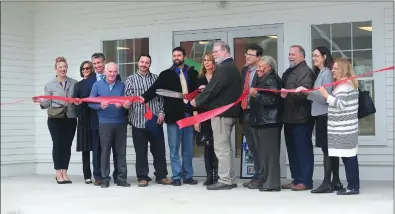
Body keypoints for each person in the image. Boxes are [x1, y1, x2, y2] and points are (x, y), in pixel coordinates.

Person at [141, 47, 199, 186]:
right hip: (174, 117)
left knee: (188, 149)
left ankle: (188, 176)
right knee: (174, 148)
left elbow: (199, 93)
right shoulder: (165, 74)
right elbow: (154, 90)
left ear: (184, 56)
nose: (176, 57)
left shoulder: (194, 73)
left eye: (179, 55)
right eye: (174, 55)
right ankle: (177, 176)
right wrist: (143, 98)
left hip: (189, 116)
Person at [191, 41, 243, 190]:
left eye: (216, 52)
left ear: (225, 51)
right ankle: (230, 178)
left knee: (221, 148)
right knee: (226, 147)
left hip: (221, 113)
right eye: (213, 52)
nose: (214, 55)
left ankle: (225, 180)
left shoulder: (223, 69)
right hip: (230, 112)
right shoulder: (232, 67)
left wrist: (195, 102)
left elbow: (212, 89)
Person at [296, 46, 343, 193]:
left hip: (325, 115)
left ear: (324, 56)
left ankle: (327, 182)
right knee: (329, 150)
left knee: (327, 150)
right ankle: (335, 181)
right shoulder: (320, 73)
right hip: (321, 115)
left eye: (316, 55)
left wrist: (306, 93)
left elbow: (325, 97)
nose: (314, 58)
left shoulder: (327, 73)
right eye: (313, 55)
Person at [124, 54, 172, 187]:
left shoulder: (156, 79)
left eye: (147, 62)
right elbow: (127, 98)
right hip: (138, 121)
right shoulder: (130, 80)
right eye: (142, 62)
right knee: (140, 151)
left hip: (155, 120)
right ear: (138, 63)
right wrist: (127, 104)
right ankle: (142, 177)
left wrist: (162, 112)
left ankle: (161, 176)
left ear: (150, 64)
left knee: (159, 150)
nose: (144, 65)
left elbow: (162, 99)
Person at [318, 58, 360, 195]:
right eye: (332, 68)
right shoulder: (348, 85)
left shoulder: (343, 87)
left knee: (348, 159)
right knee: (350, 157)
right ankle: (353, 185)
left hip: (343, 129)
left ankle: (352, 187)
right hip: (348, 128)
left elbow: (340, 105)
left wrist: (326, 95)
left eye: (336, 68)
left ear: (342, 70)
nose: (332, 70)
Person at [33, 57, 78, 184]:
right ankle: (58, 172)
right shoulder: (49, 85)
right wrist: (39, 101)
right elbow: (46, 103)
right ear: (56, 69)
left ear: (67, 68)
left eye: (65, 66)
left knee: (67, 145)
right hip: (55, 118)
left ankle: (65, 172)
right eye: (60, 67)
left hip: (70, 117)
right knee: (58, 144)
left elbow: (77, 99)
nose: (63, 69)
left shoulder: (74, 83)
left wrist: (76, 101)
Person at [88, 62, 131, 188]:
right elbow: (90, 102)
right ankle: (105, 179)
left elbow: (127, 102)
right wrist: (99, 106)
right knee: (105, 152)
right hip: (105, 123)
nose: (112, 74)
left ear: (117, 72)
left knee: (121, 152)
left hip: (120, 123)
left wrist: (125, 105)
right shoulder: (97, 85)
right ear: (105, 72)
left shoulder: (122, 85)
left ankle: (121, 178)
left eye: (115, 71)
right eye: (110, 71)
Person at [280, 45, 315, 191]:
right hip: (288, 117)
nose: (290, 56)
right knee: (292, 150)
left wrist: (288, 93)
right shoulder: (289, 72)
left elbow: (305, 92)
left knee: (303, 150)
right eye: (289, 54)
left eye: (293, 54)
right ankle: (296, 179)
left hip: (301, 117)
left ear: (302, 56)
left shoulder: (306, 71)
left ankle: (305, 181)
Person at [248, 56, 283, 191]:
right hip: (261, 121)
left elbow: (273, 100)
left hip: (269, 121)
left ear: (269, 67)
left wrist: (256, 95)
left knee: (270, 154)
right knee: (264, 153)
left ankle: (272, 183)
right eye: (257, 66)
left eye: (261, 66)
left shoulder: (272, 79)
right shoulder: (262, 79)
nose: (258, 69)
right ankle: (267, 181)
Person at [87, 53, 121, 185]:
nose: (96, 66)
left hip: (114, 119)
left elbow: (121, 96)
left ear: (104, 63)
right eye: (94, 64)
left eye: (99, 63)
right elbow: (89, 99)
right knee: (98, 150)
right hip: (97, 119)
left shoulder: (117, 79)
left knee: (115, 150)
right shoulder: (90, 81)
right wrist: (98, 106)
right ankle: (99, 176)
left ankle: (117, 176)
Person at [240, 44, 264, 188]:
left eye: (251, 54)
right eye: (246, 54)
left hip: (258, 113)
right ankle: (257, 173)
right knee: (252, 146)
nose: (247, 57)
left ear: (259, 57)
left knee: (259, 146)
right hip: (245, 111)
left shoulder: (262, 70)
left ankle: (262, 175)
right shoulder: (245, 70)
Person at [194, 52, 219, 186]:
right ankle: (209, 175)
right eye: (205, 60)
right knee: (208, 146)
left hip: (217, 114)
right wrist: (196, 119)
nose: (206, 63)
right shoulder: (199, 78)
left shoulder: (218, 77)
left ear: (214, 62)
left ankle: (217, 175)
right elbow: (195, 100)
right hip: (203, 116)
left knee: (218, 146)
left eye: (209, 60)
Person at [72, 61, 95, 184]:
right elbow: (74, 101)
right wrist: (76, 102)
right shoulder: (78, 85)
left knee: (97, 147)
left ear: (92, 69)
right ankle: (87, 175)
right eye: (83, 68)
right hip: (83, 116)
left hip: (95, 115)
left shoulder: (96, 82)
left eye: (87, 68)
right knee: (85, 148)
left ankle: (99, 174)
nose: (85, 70)